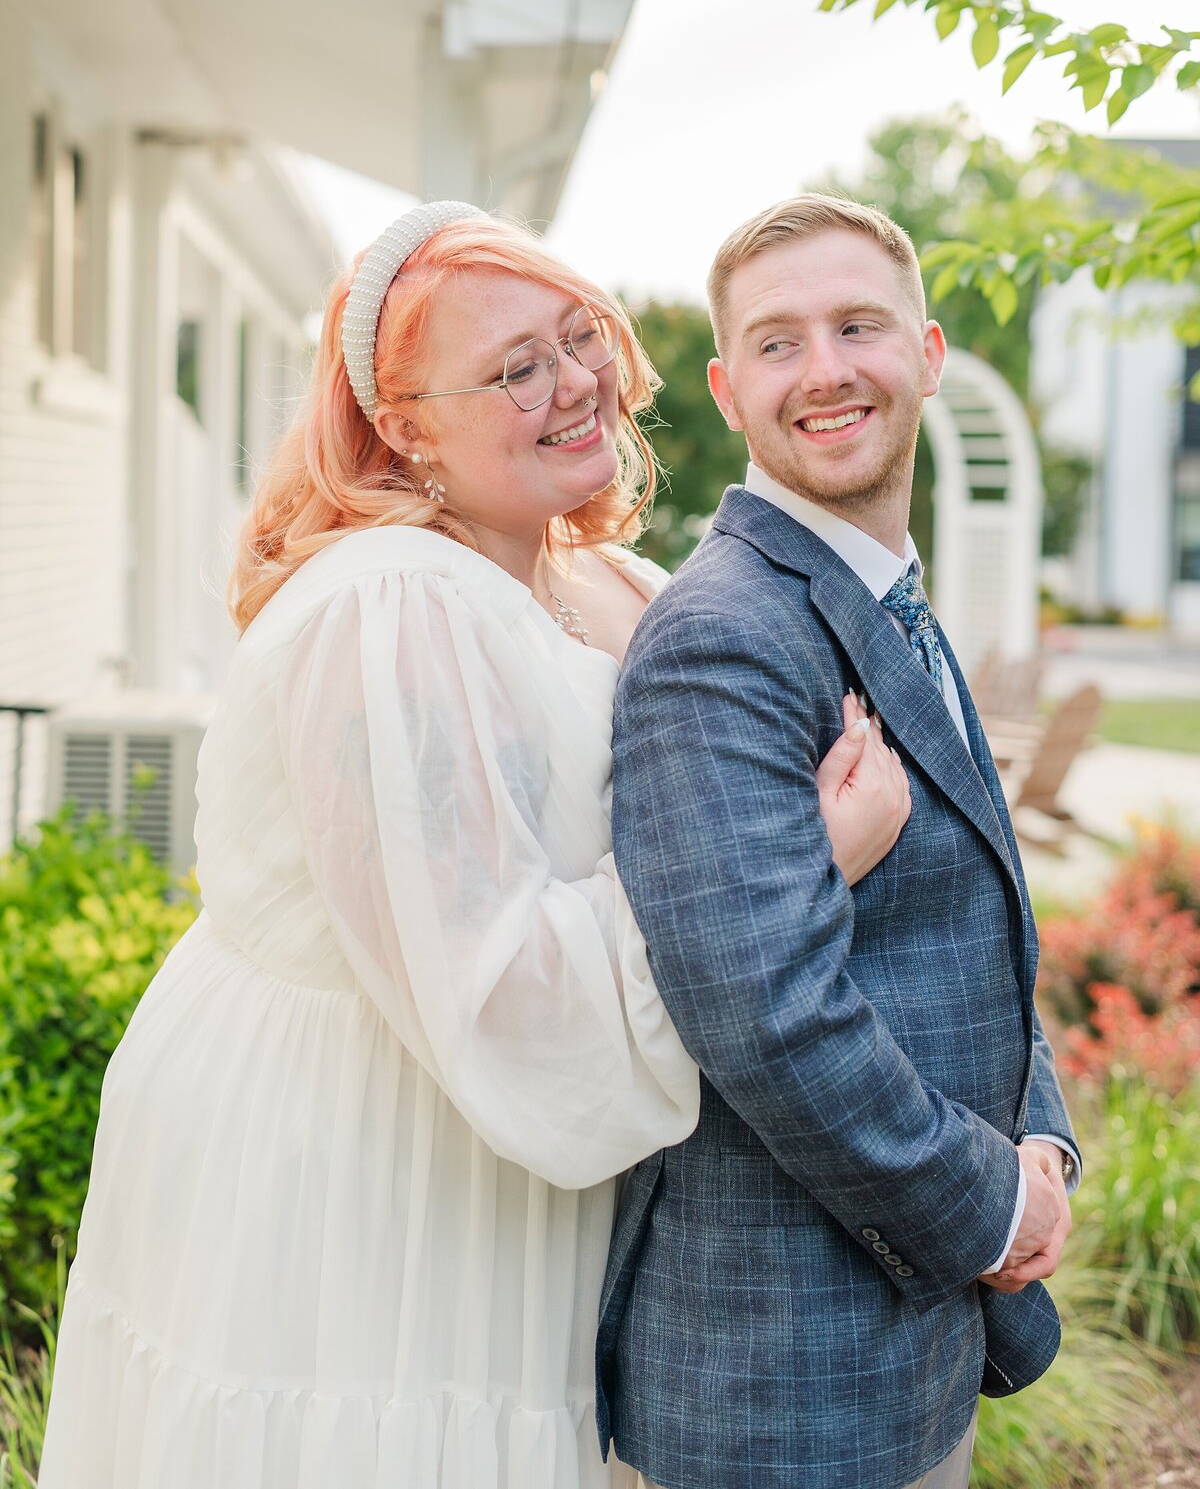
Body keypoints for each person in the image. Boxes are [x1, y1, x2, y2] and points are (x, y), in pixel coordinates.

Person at [39, 202, 908, 1489]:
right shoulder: (391, 605)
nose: (573, 386)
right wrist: (796, 868)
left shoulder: (600, 578)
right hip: (368, 1158)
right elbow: (499, 982)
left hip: (502, 1140)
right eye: (513, 369)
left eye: (578, 337)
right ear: (402, 425)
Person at [598, 195, 1081, 1489]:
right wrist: (991, 1205)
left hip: (905, 1356)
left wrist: (1041, 1142)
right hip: (780, 1390)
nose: (823, 371)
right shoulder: (724, 639)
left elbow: (977, 915)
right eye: (778, 341)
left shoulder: (889, 594)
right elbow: (767, 1013)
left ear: (925, 354)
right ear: (728, 388)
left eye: (858, 326)